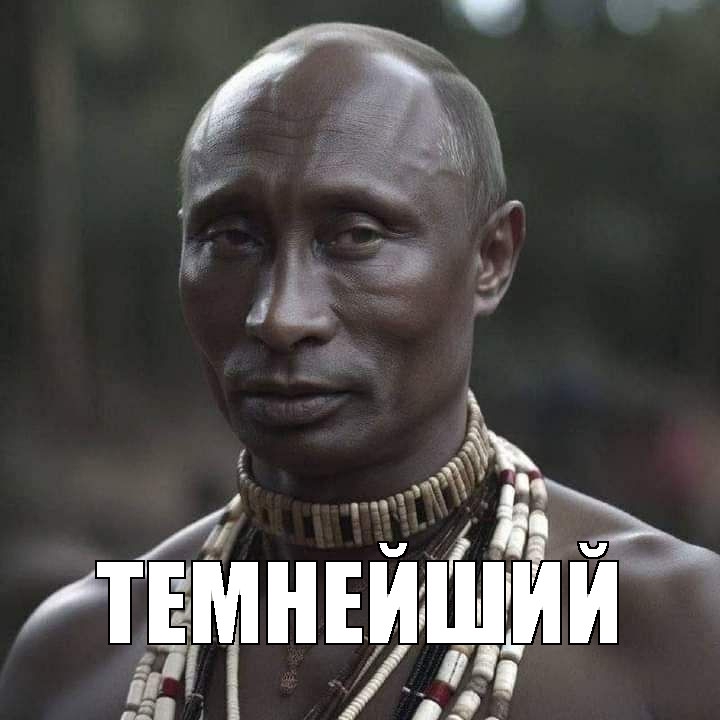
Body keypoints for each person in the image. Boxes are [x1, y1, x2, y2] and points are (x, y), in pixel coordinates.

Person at [1, 22, 719, 720]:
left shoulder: (682, 638)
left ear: (492, 258)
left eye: (356, 235)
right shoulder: (74, 659)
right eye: (232, 237)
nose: (279, 316)